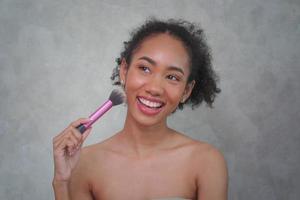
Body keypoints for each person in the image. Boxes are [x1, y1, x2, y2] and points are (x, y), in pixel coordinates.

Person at [52, 18, 228, 200]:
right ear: (124, 70)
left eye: (172, 77)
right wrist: (61, 182)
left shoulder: (206, 162)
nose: (155, 88)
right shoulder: (84, 164)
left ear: (186, 90)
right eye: (144, 68)